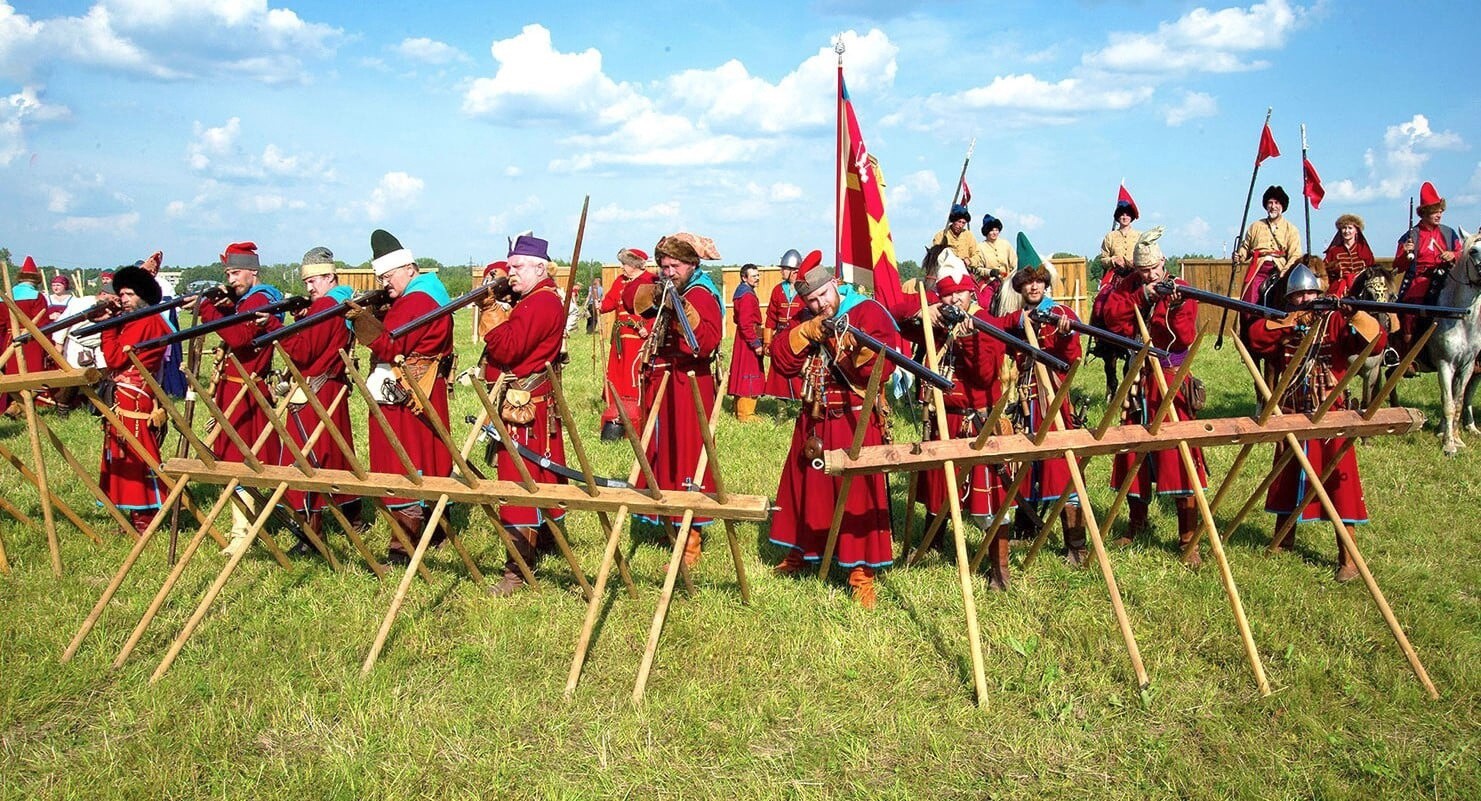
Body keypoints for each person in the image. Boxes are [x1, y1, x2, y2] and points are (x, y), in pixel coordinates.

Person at [769, 256, 899, 608]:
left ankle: (861, 574)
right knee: (805, 488)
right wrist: (806, 331)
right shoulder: (806, 318)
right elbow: (781, 360)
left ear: (835, 285)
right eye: (812, 300)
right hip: (814, 417)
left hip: (854, 419)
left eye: (823, 295)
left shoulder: (866, 312)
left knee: (857, 496)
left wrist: (849, 346)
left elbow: (882, 366)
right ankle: (802, 551)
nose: (819, 304)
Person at [1247, 263, 1384, 582]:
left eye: (1310, 293)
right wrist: (1293, 321)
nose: (1306, 299)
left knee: (1340, 487)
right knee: (1286, 479)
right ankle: (1283, 541)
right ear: (1290, 299)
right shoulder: (1286, 321)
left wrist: (1353, 314)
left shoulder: (1334, 321)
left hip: (1331, 414)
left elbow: (1376, 342)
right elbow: (1256, 337)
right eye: (1299, 295)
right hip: (1292, 413)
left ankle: (1348, 558)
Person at [1099, 227, 1208, 566]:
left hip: (1170, 377)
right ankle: (1137, 522)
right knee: (1132, 449)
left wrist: (1172, 307)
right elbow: (1112, 319)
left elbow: (1183, 337)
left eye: (1152, 269)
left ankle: (1187, 536)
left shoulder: (1181, 289)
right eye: (1143, 270)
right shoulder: (1130, 287)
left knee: (1179, 454)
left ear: (1163, 263)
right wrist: (1142, 296)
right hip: (1138, 376)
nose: (1148, 275)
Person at [348, 229, 454, 563]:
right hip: (422, 387)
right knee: (427, 459)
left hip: (407, 391)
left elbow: (391, 344)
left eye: (388, 276)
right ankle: (435, 533)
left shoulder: (416, 300)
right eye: (381, 277)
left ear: (409, 269)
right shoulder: (422, 296)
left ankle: (402, 547)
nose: (385, 283)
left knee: (402, 462)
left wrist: (363, 324)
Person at [906, 256, 1011, 584]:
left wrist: (967, 340)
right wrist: (924, 312)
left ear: (971, 293)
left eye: (959, 293)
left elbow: (985, 377)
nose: (954, 299)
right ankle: (933, 545)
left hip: (976, 423)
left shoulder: (986, 324)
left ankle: (999, 569)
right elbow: (897, 315)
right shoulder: (937, 323)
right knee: (937, 492)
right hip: (943, 420)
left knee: (989, 503)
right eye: (947, 294)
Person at [622, 232, 724, 568]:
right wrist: (655, 292)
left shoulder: (701, 294)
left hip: (688, 385)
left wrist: (684, 313)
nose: (669, 272)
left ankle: (690, 541)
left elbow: (705, 343)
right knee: (663, 454)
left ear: (691, 264)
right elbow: (628, 298)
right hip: (663, 384)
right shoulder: (664, 286)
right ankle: (669, 523)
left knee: (687, 457)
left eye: (675, 266)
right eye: (664, 266)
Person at [477, 234, 569, 595]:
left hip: (525, 409)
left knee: (519, 483)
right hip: (527, 403)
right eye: (510, 265)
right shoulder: (532, 299)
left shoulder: (540, 303)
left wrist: (491, 313)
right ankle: (544, 542)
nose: (510, 271)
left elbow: (507, 349)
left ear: (539, 268)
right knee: (534, 477)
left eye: (517, 266)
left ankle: (517, 569)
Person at [1000, 258, 1087, 569]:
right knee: (1025, 465)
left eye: (1038, 280)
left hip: (1053, 399)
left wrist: (1063, 335)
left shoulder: (1062, 314)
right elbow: (999, 332)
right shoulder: (1016, 318)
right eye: (1027, 282)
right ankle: (1026, 528)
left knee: (1060, 467)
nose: (1033, 286)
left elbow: (1072, 359)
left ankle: (1075, 545)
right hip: (1026, 400)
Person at [199, 242, 285, 554]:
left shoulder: (259, 299)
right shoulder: (247, 301)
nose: (232, 279)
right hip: (235, 389)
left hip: (245, 391)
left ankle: (242, 534)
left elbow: (239, 337)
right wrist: (225, 308)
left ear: (253, 272)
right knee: (237, 460)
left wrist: (209, 310)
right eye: (228, 274)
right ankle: (248, 525)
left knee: (242, 461)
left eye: (236, 273)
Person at [275, 247, 361, 548]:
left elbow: (302, 352)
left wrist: (278, 330)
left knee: (306, 457)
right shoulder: (337, 303)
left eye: (313, 281)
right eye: (306, 282)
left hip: (315, 389)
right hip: (330, 387)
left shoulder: (325, 306)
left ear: (329, 277)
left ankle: (311, 533)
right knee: (335, 454)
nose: (309, 288)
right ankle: (353, 517)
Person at [96, 265, 172, 535]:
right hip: (127, 393)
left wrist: (108, 328)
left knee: (135, 456)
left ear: (142, 295)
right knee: (121, 454)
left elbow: (115, 358)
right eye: (122, 294)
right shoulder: (140, 320)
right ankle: (134, 511)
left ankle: (146, 516)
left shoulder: (145, 321)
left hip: (134, 395)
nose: (123, 299)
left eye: (129, 294)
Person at [1393, 181, 1462, 354]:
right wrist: (1405, 253)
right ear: (1424, 212)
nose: (1439, 215)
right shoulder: (1411, 236)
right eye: (1434, 211)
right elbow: (1398, 266)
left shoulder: (1449, 233)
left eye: (1440, 211)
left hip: (1447, 279)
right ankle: (1409, 353)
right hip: (1420, 281)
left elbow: (1462, 254)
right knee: (1410, 313)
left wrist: (1453, 255)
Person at [598, 247, 654, 441]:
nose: (622, 267)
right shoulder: (620, 281)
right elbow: (611, 301)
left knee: (633, 373)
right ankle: (615, 409)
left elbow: (657, 309)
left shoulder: (650, 280)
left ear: (634, 265)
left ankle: (634, 412)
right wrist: (600, 306)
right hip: (621, 337)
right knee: (617, 372)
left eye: (625, 264)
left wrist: (648, 327)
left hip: (639, 337)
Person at [1234, 185, 1303, 309]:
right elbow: (1245, 247)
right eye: (1270, 203)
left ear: (1282, 206)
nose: (1273, 206)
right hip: (1258, 268)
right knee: (1248, 301)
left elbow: (1295, 254)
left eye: (1277, 203)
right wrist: (1239, 256)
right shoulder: (1255, 226)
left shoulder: (1291, 229)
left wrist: (1285, 271)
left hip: (1279, 270)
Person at [5, 257, 52, 417]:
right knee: (33, 375)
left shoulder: (6, 296)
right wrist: (49, 344)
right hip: (31, 341)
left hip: (10, 339)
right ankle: (20, 406)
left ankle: (15, 404)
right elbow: (44, 324)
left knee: (13, 374)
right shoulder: (37, 297)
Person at [137, 251, 187, 399]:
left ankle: (171, 388)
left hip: (164, 319)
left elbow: (171, 306)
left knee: (167, 357)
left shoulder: (163, 284)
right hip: (146, 323)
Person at [762, 248, 806, 401]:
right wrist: (767, 342)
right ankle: (782, 408)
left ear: (794, 270)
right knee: (779, 377)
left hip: (799, 338)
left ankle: (799, 404)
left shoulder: (805, 290)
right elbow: (770, 318)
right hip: (780, 338)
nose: (781, 271)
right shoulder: (778, 290)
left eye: (784, 268)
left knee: (799, 374)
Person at [727, 263, 765, 422]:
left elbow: (737, 319)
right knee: (748, 371)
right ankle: (745, 414)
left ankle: (739, 410)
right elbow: (744, 323)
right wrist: (755, 343)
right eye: (753, 276)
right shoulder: (747, 296)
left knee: (742, 370)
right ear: (744, 277)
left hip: (743, 337)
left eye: (758, 275)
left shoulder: (741, 292)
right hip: (748, 339)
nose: (757, 278)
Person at [1323, 214, 1377, 300]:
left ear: (1356, 230)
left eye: (1350, 228)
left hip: (1361, 288)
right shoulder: (1334, 251)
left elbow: (1373, 270)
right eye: (1344, 228)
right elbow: (1325, 271)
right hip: (1339, 289)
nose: (1346, 231)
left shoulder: (1364, 250)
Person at [1098, 197, 1141, 291]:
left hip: (1137, 274)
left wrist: (1135, 262)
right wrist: (1113, 261)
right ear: (1118, 217)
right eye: (1122, 215)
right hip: (1115, 276)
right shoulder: (1110, 237)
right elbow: (1103, 260)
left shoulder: (1139, 236)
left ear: (1131, 217)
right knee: (1103, 297)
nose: (1125, 217)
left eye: (1127, 215)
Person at [975, 214, 1017, 310]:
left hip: (1008, 280)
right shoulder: (980, 247)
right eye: (991, 230)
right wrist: (990, 272)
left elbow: (1014, 262)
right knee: (985, 304)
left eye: (996, 230)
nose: (994, 233)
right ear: (986, 231)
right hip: (990, 282)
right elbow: (977, 269)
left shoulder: (1006, 244)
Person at [932, 204, 984, 272]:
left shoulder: (969, 235)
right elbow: (934, 257)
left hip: (965, 271)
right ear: (953, 221)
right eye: (959, 222)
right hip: (946, 271)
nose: (960, 225)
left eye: (963, 223)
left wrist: (970, 261)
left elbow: (977, 255)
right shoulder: (940, 236)